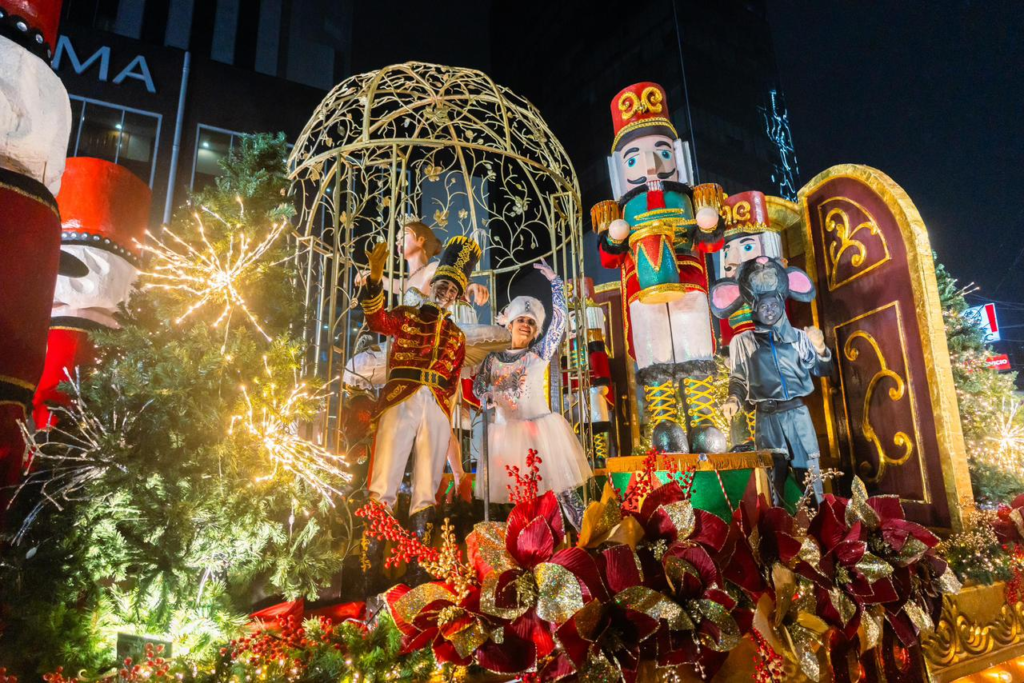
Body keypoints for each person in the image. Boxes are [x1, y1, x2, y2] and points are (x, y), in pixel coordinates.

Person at [359, 235, 480, 587]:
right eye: (442, 286)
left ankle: (418, 569)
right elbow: (377, 320)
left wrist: (446, 413)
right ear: (433, 285)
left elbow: (454, 381)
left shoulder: (457, 336)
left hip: (437, 406)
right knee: (384, 480)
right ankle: (370, 571)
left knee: (427, 486)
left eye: (453, 290)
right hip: (402, 396)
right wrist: (375, 279)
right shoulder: (407, 315)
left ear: (457, 296)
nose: (446, 293)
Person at [473, 261, 592, 528]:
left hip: (541, 433)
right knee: (522, 497)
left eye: (531, 322)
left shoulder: (539, 353)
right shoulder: (492, 359)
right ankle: (533, 541)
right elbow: (478, 386)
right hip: (506, 435)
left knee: (563, 493)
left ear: (536, 330)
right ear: (510, 324)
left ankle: (588, 534)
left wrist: (556, 284)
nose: (525, 325)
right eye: (521, 320)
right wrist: (487, 396)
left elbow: (559, 322)